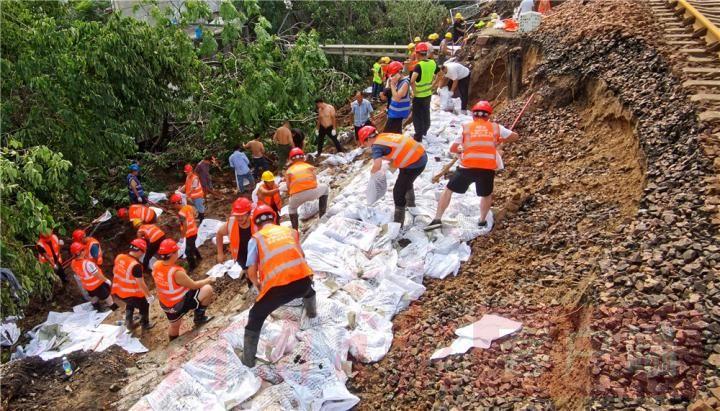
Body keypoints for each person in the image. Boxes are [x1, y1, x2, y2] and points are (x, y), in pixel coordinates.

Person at [425, 101, 519, 232]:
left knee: (448, 190)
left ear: (474, 115)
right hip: (487, 169)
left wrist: (461, 150)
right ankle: (482, 221)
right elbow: (515, 136)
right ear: (488, 116)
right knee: (486, 195)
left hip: (467, 167)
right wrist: (499, 140)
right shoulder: (496, 128)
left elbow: (452, 148)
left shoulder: (465, 127)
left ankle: (437, 219)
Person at [241, 205, 316, 367]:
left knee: (255, 317)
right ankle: (312, 313)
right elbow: (301, 256)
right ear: (274, 218)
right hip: (303, 281)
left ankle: (247, 361)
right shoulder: (290, 232)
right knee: (309, 292)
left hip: (277, 288)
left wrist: (259, 287)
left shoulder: (256, 239)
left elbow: (251, 272)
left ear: (256, 223)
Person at [358, 126, 427, 226]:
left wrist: (372, 175)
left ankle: (398, 222)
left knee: (398, 192)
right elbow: (394, 151)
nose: (366, 146)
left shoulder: (376, 146)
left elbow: (377, 165)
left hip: (414, 163)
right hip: (420, 155)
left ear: (368, 139)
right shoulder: (383, 136)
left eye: (364, 143)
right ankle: (411, 204)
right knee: (405, 182)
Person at [152, 239, 215, 341]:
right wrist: (208, 280)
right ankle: (199, 318)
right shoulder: (176, 272)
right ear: (173, 254)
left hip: (166, 304)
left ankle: (173, 342)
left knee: (174, 325)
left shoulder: (156, 265)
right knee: (207, 289)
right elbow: (194, 286)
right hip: (179, 303)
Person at [111, 239, 154, 331]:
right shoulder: (135, 265)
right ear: (139, 251)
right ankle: (145, 324)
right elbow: (141, 283)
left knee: (130, 303)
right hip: (130, 293)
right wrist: (149, 296)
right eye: (143, 252)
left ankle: (129, 321)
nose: (143, 254)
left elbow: (114, 271)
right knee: (144, 305)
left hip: (118, 291)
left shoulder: (119, 257)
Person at [285, 148, 329, 230]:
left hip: (297, 196)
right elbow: (315, 180)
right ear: (303, 157)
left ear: (291, 159)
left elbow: (288, 187)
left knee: (291, 208)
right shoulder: (309, 166)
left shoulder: (288, 171)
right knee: (325, 188)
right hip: (312, 193)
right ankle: (322, 216)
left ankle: (295, 230)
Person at [69, 242, 118, 312]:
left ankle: (97, 309)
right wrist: (106, 280)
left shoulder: (73, 263)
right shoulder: (87, 264)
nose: (84, 250)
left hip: (87, 286)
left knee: (93, 297)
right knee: (107, 296)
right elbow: (97, 274)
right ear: (78, 253)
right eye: (82, 250)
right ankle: (114, 308)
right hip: (97, 284)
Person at [216, 198, 253, 288]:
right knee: (249, 273)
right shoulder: (232, 222)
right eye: (237, 215)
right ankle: (252, 287)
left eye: (242, 215)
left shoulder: (256, 221)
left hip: (255, 251)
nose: (239, 218)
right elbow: (219, 234)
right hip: (240, 254)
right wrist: (220, 253)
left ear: (248, 213)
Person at [410, 42, 438, 142]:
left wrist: (414, 92)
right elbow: (440, 74)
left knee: (417, 115)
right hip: (428, 94)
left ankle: (418, 136)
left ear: (417, 53)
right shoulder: (432, 63)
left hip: (419, 96)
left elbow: (412, 80)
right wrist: (434, 85)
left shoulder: (418, 66)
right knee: (426, 113)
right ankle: (425, 130)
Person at [170, 193, 202, 272]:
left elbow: (185, 226)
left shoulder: (181, 213)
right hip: (194, 231)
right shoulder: (188, 207)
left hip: (189, 234)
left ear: (177, 203)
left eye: (173, 204)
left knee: (187, 252)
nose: (173, 206)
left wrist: (181, 238)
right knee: (192, 246)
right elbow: (194, 214)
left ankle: (192, 267)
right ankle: (199, 257)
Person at [384, 61, 411, 134]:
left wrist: (392, 85)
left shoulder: (405, 82)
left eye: (393, 75)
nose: (392, 77)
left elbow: (397, 98)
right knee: (396, 133)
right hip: (394, 113)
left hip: (397, 115)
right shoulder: (398, 82)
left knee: (387, 134)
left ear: (399, 72)